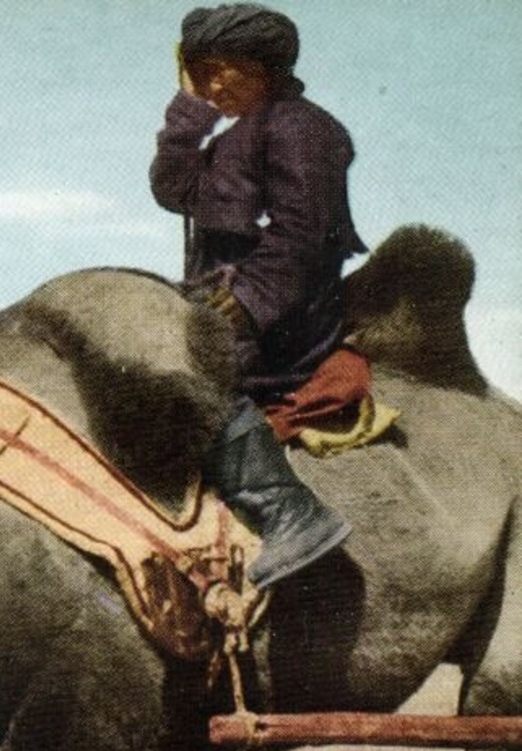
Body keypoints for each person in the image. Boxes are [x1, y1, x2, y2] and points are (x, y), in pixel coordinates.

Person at [149, 3, 364, 588]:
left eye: (224, 71)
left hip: (285, 317)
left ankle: (287, 508)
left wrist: (247, 300)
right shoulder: (233, 139)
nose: (213, 83)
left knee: (182, 377)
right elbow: (173, 189)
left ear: (263, 68)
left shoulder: (302, 127)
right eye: (201, 71)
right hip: (234, 306)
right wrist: (191, 111)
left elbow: (304, 233)